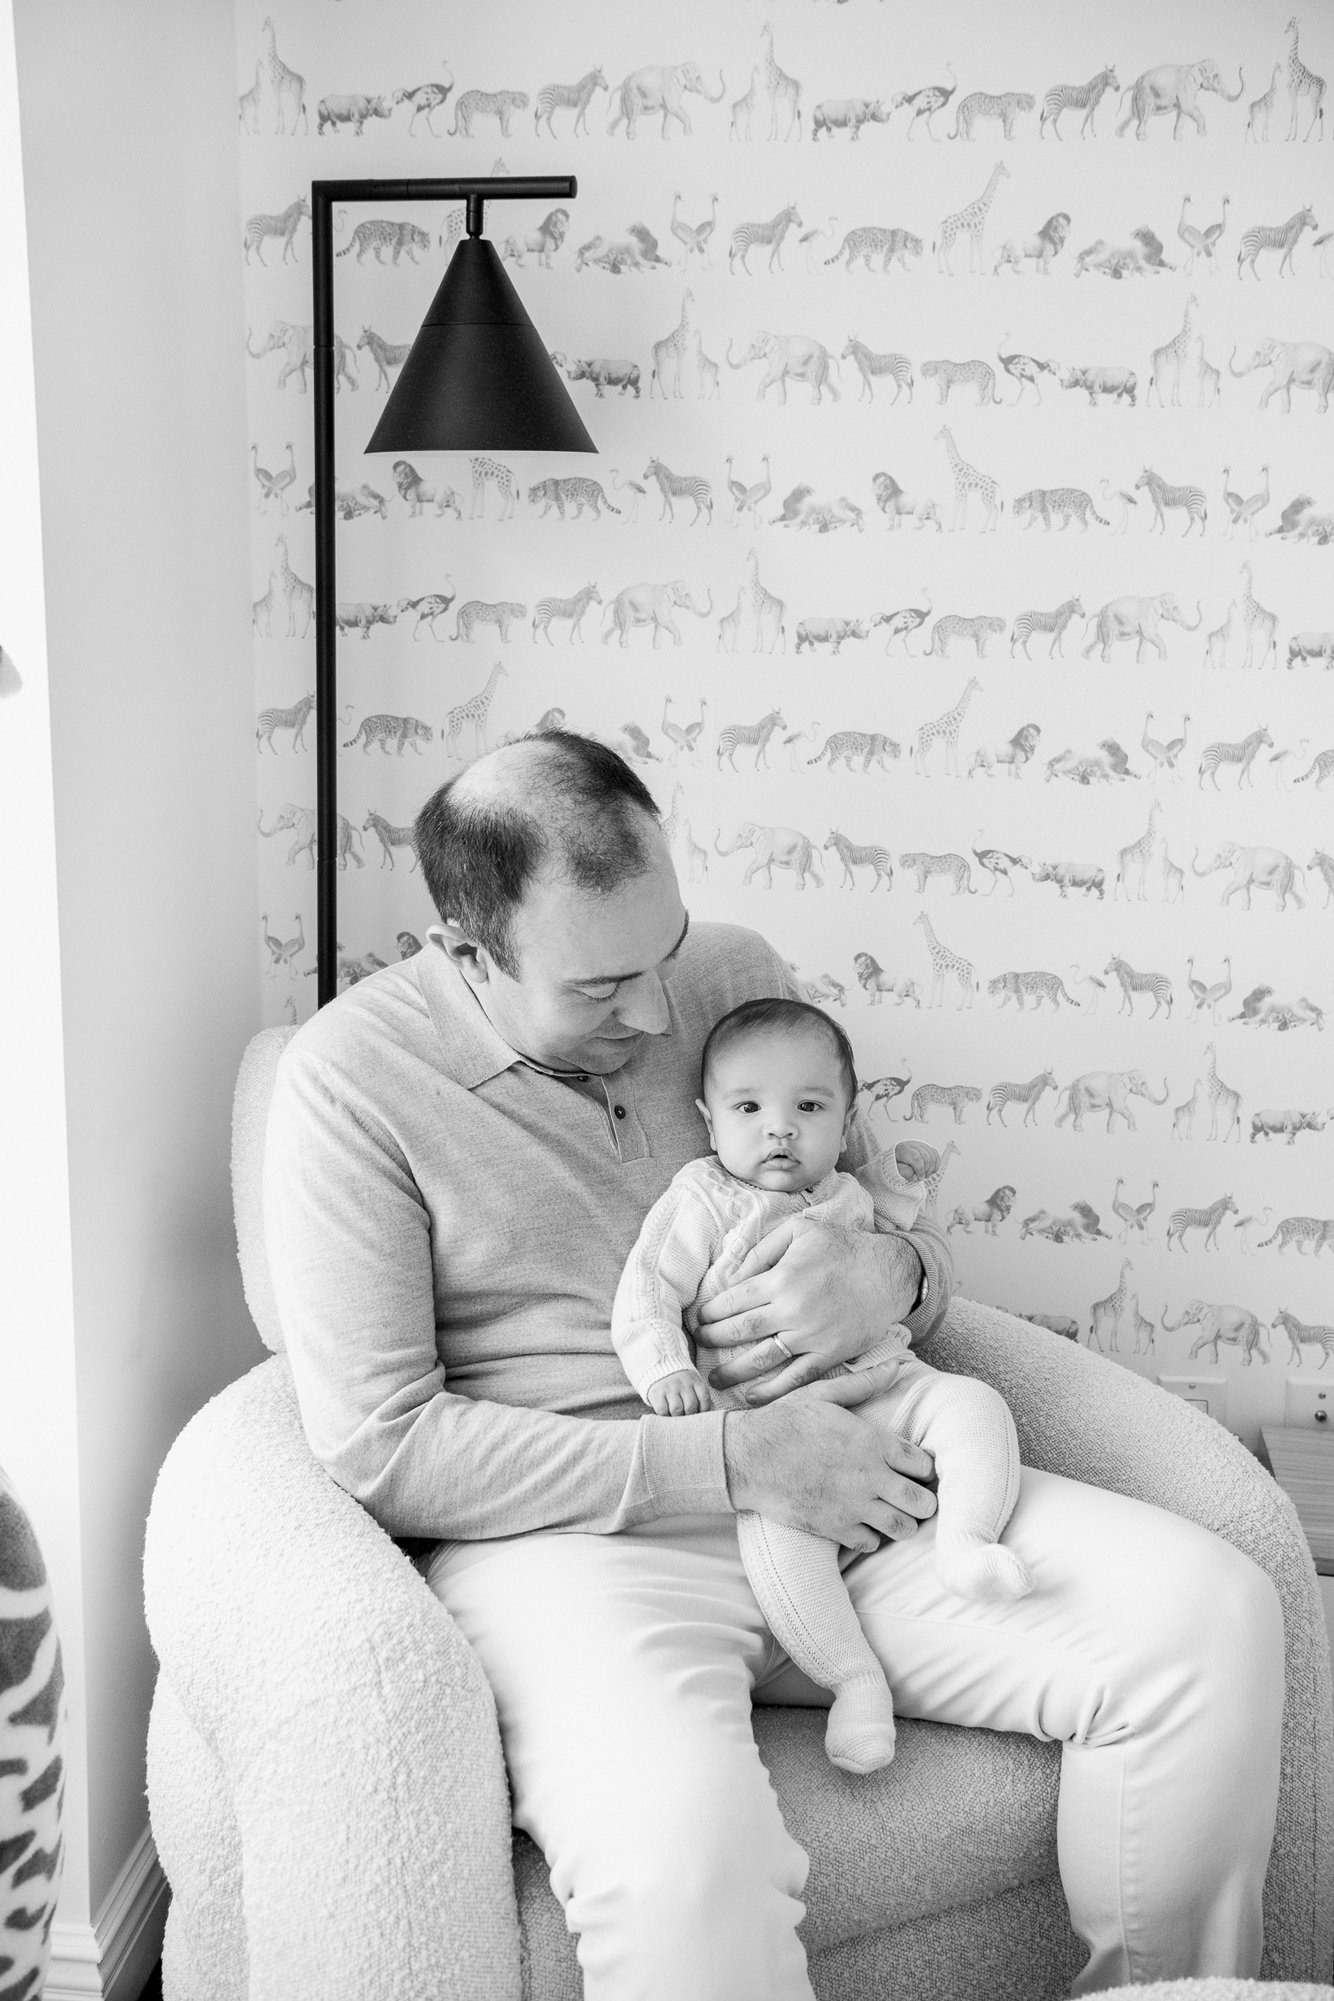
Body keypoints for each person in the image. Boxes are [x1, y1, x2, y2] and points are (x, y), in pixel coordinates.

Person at [263, 730, 1284, 2001]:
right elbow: (382, 1444)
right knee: (685, 1865)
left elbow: (887, 1218)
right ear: (470, 954)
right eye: (599, 989)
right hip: (579, 1545)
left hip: (857, 1471)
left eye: (665, 954)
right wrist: (732, 1458)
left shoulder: (731, 975)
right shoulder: (349, 1086)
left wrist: (895, 1274)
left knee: (1208, 1620)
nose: (654, 1017)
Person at [611, 994, 1031, 1775]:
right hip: (783, 1432)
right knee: (781, 1551)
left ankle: (967, 1543)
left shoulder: (844, 1189)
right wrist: (665, 1366)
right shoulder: (701, 1198)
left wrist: (901, 1175)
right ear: (709, 1121)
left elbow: (890, 1219)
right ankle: (854, 1679)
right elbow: (646, 1292)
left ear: (845, 1118)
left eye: (809, 1105)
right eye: (749, 1106)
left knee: (974, 1404)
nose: (781, 1126)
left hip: (886, 1383)